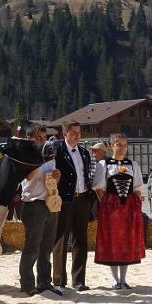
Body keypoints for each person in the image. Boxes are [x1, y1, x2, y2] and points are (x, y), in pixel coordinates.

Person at [93, 133, 146, 291]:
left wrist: (136, 207)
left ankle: (123, 279)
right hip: (111, 208)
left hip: (128, 208)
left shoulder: (133, 165)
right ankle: (115, 279)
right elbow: (99, 188)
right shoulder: (104, 164)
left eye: (124, 145)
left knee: (126, 242)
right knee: (112, 242)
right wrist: (106, 204)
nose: (122, 148)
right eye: (118, 144)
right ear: (111, 146)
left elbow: (137, 188)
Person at [17, 124, 61, 295]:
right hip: (33, 203)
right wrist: (40, 161)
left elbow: (52, 179)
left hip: (50, 202)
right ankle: (27, 285)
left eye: (44, 137)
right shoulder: (25, 156)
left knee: (46, 247)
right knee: (32, 247)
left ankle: (44, 282)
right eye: (38, 138)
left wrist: (57, 175)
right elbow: (28, 177)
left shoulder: (50, 155)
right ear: (29, 139)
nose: (42, 141)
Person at [51, 120, 94, 292]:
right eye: (74, 132)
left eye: (79, 132)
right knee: (61, 239)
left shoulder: (84, 152)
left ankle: (79, 280)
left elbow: (86, 175)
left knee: (81, 240)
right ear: (65, 134)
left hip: (82, 199)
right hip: (65, 200)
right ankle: (59, 281)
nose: (77, 135)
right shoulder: (57, 151)